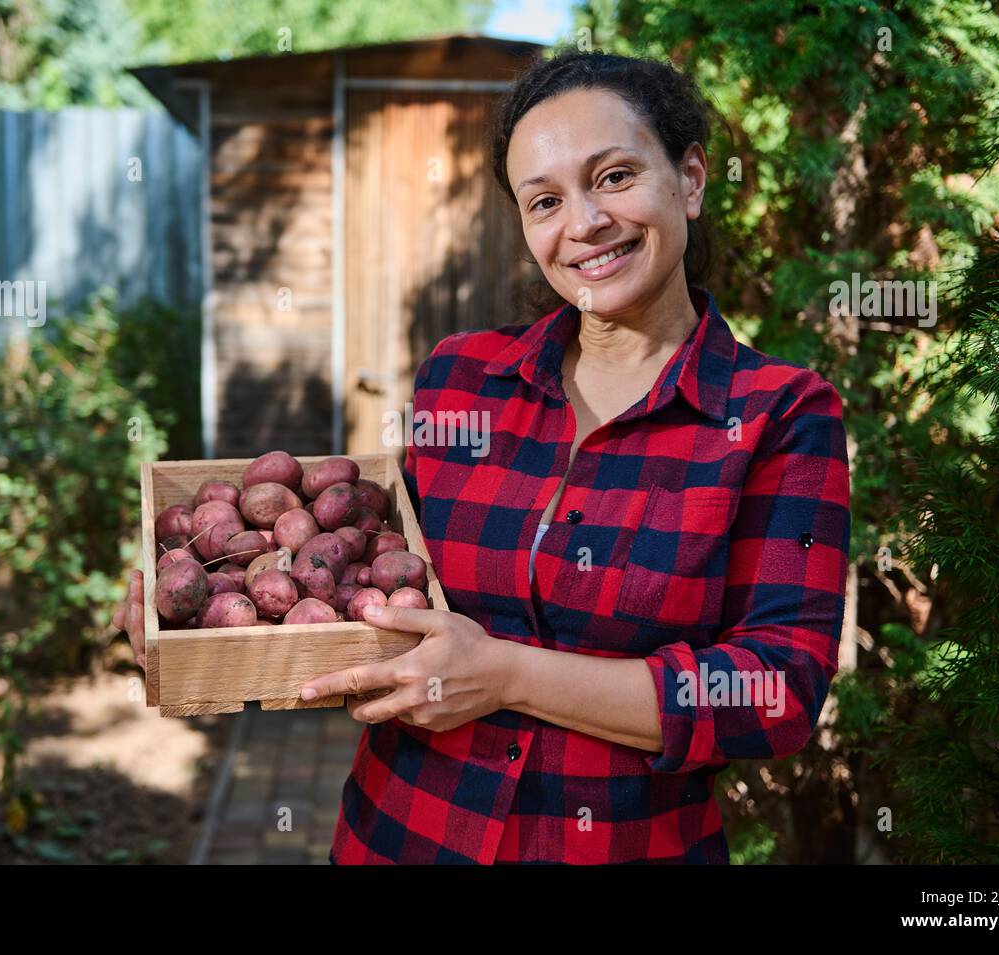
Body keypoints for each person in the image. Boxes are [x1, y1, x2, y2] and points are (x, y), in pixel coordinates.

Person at [116, 49, 851, 864]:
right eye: (545, 200)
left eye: (613, 177)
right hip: (397, 837)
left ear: (691, 178)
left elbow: (776, 691)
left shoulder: (781, 414)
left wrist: (506, 676)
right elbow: (374, 590)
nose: (583, 223)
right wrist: (203, 629)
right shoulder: (462, 379)